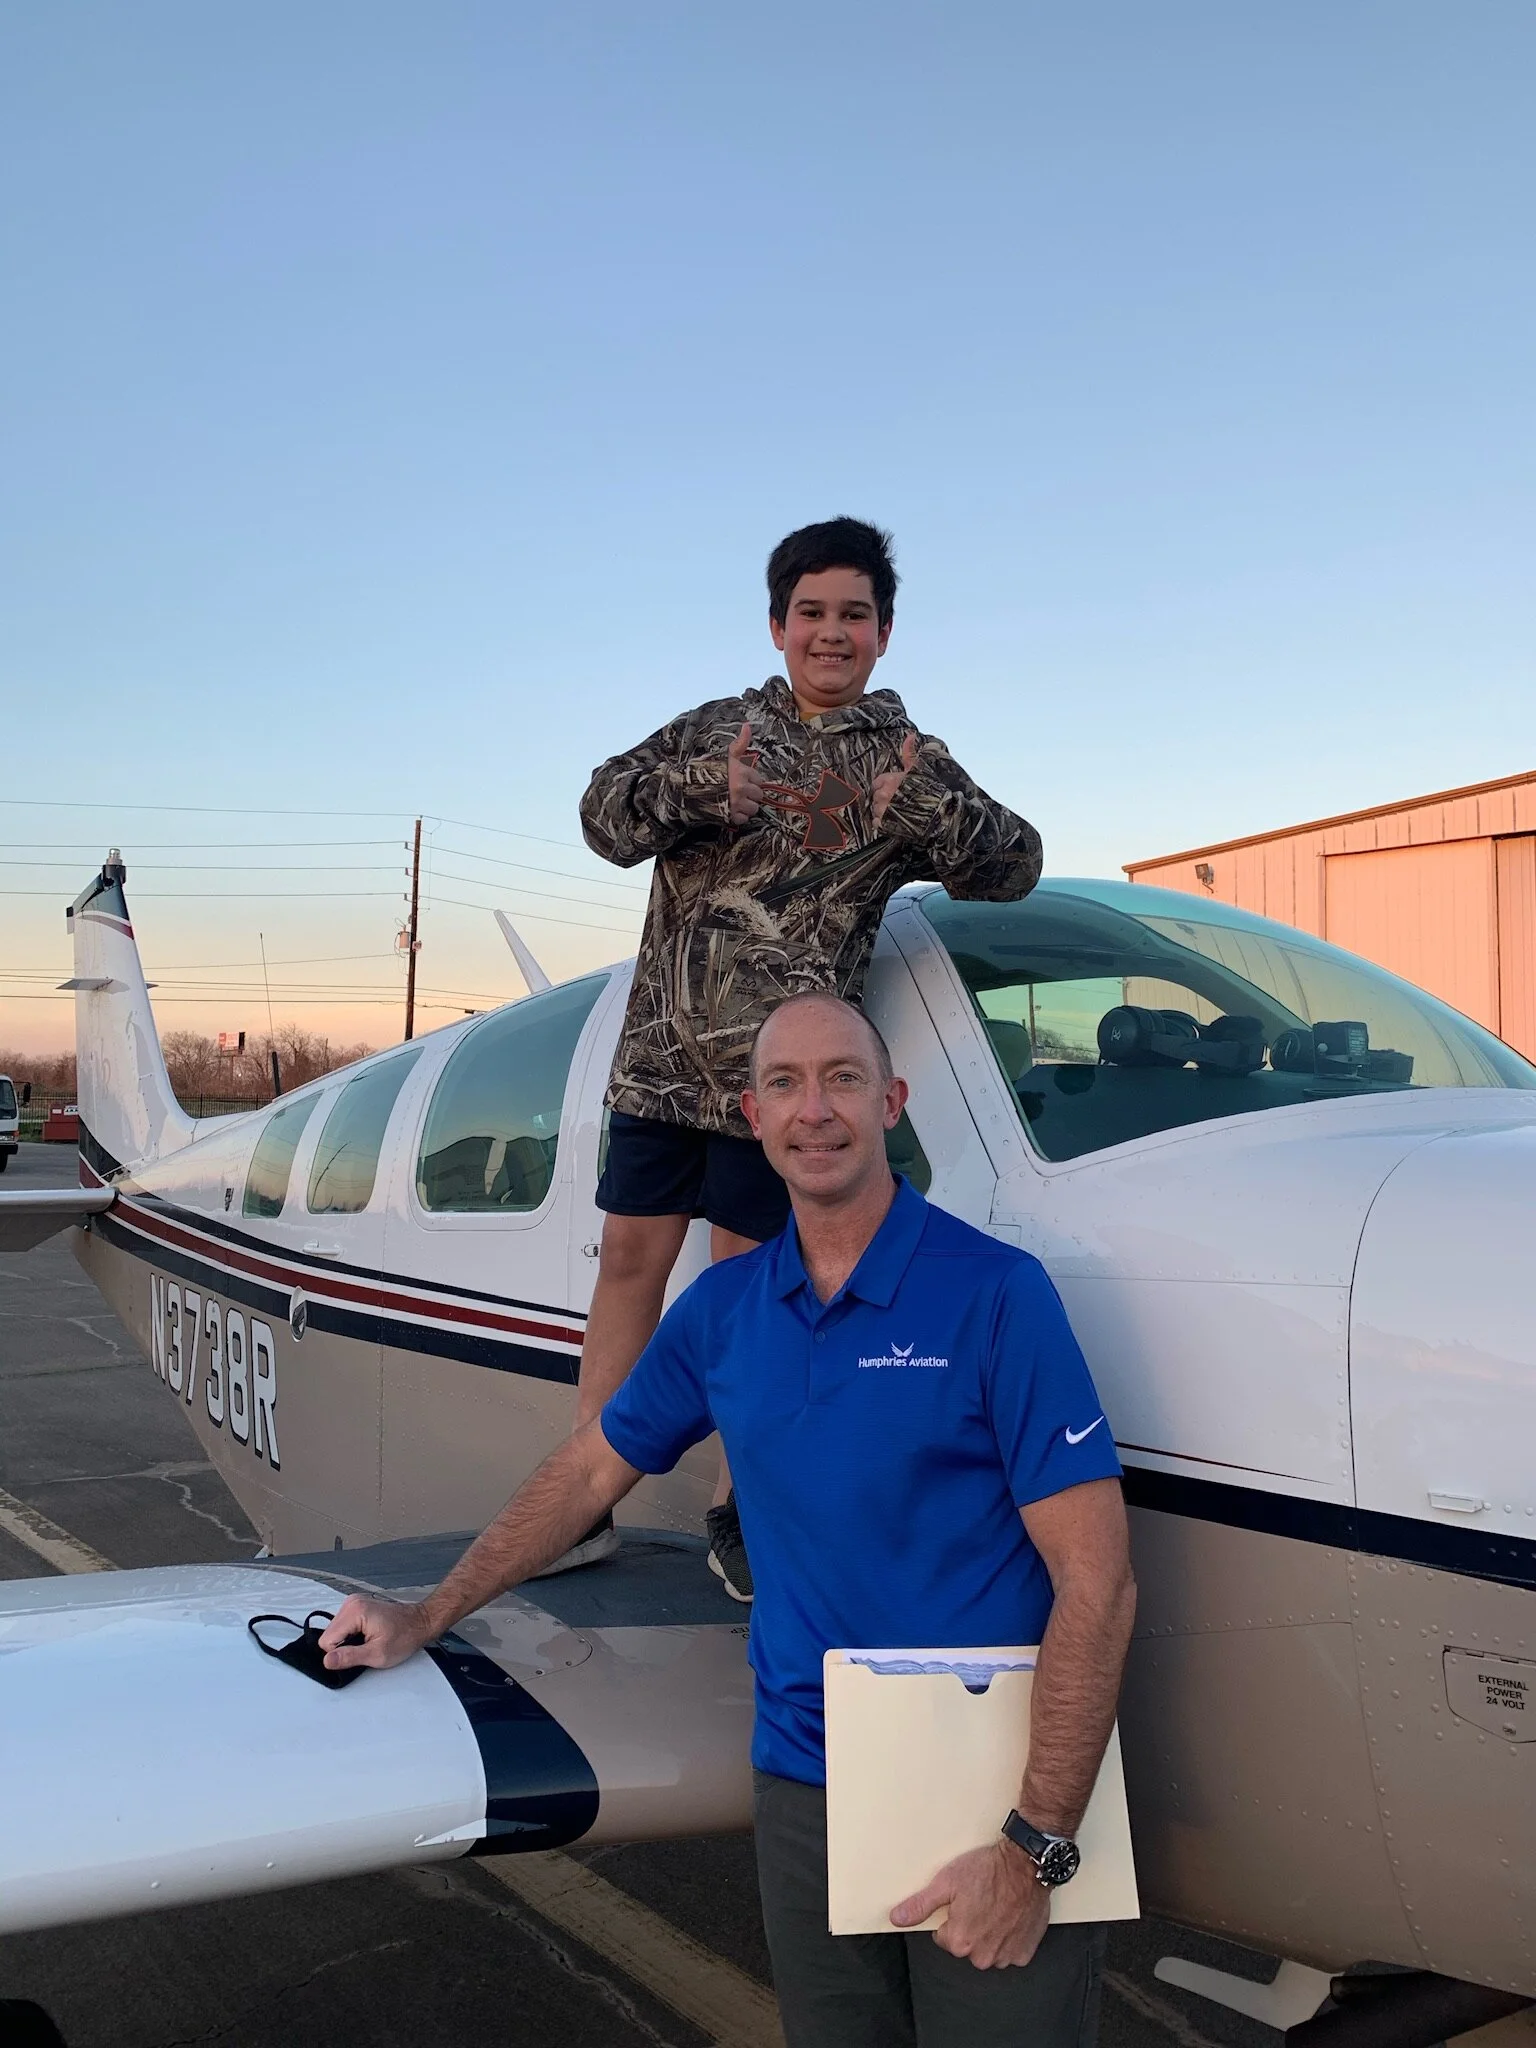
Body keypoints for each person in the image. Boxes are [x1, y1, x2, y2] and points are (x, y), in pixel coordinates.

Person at [321, 992, 1135, 2048]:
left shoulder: (996, 1295)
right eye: (786, 1084)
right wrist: (429, 1610)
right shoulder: (723, 1310)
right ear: (752, 1117)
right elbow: (584, 1474)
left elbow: (1098, 1583)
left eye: (843, 1076)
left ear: (891, 1101)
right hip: (804, 1780)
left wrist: (1035, 1848)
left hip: (988, 1781)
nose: (816, 1109)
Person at [562, 516, 1043, 1594]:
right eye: (812, 612)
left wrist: (931, 812)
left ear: (883, 634)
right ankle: (585, 1494)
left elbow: (1018, 863)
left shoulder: (908, 756)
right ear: (778, 624)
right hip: (657, 1059)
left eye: (855, 615)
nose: (833, 632)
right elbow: (601, 811)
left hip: (781, 1088)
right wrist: (696, 792)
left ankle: (742, 1508)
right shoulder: (717, 727)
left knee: (749, 1285)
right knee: (630, 1265)